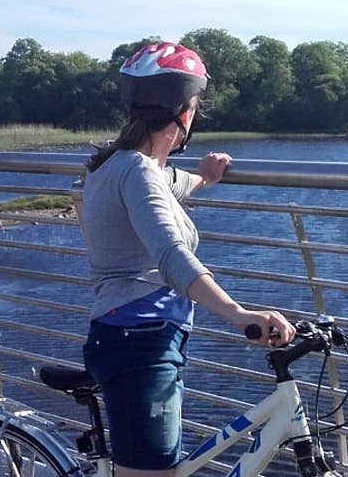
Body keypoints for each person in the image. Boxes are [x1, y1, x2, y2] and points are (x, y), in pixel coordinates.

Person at [80, 42, 296, 477]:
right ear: (184, 113)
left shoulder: (119, 165)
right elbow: (171, 256)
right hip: (141, 345)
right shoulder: (138, 172)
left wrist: (205, 177)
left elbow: (168, 184)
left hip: (129, 337)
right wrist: (239, 314)